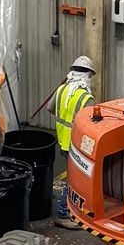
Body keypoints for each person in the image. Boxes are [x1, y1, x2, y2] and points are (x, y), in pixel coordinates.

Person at [53, 53, 94, 217]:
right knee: (74, 179)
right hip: (76, 145)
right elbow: (92, 125)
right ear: (88, 75)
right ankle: (63, 211)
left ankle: (69, 207)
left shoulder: (61, 90)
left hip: (62, 140)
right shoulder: (86, 97)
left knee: (71, 175)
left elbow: (52, 108)